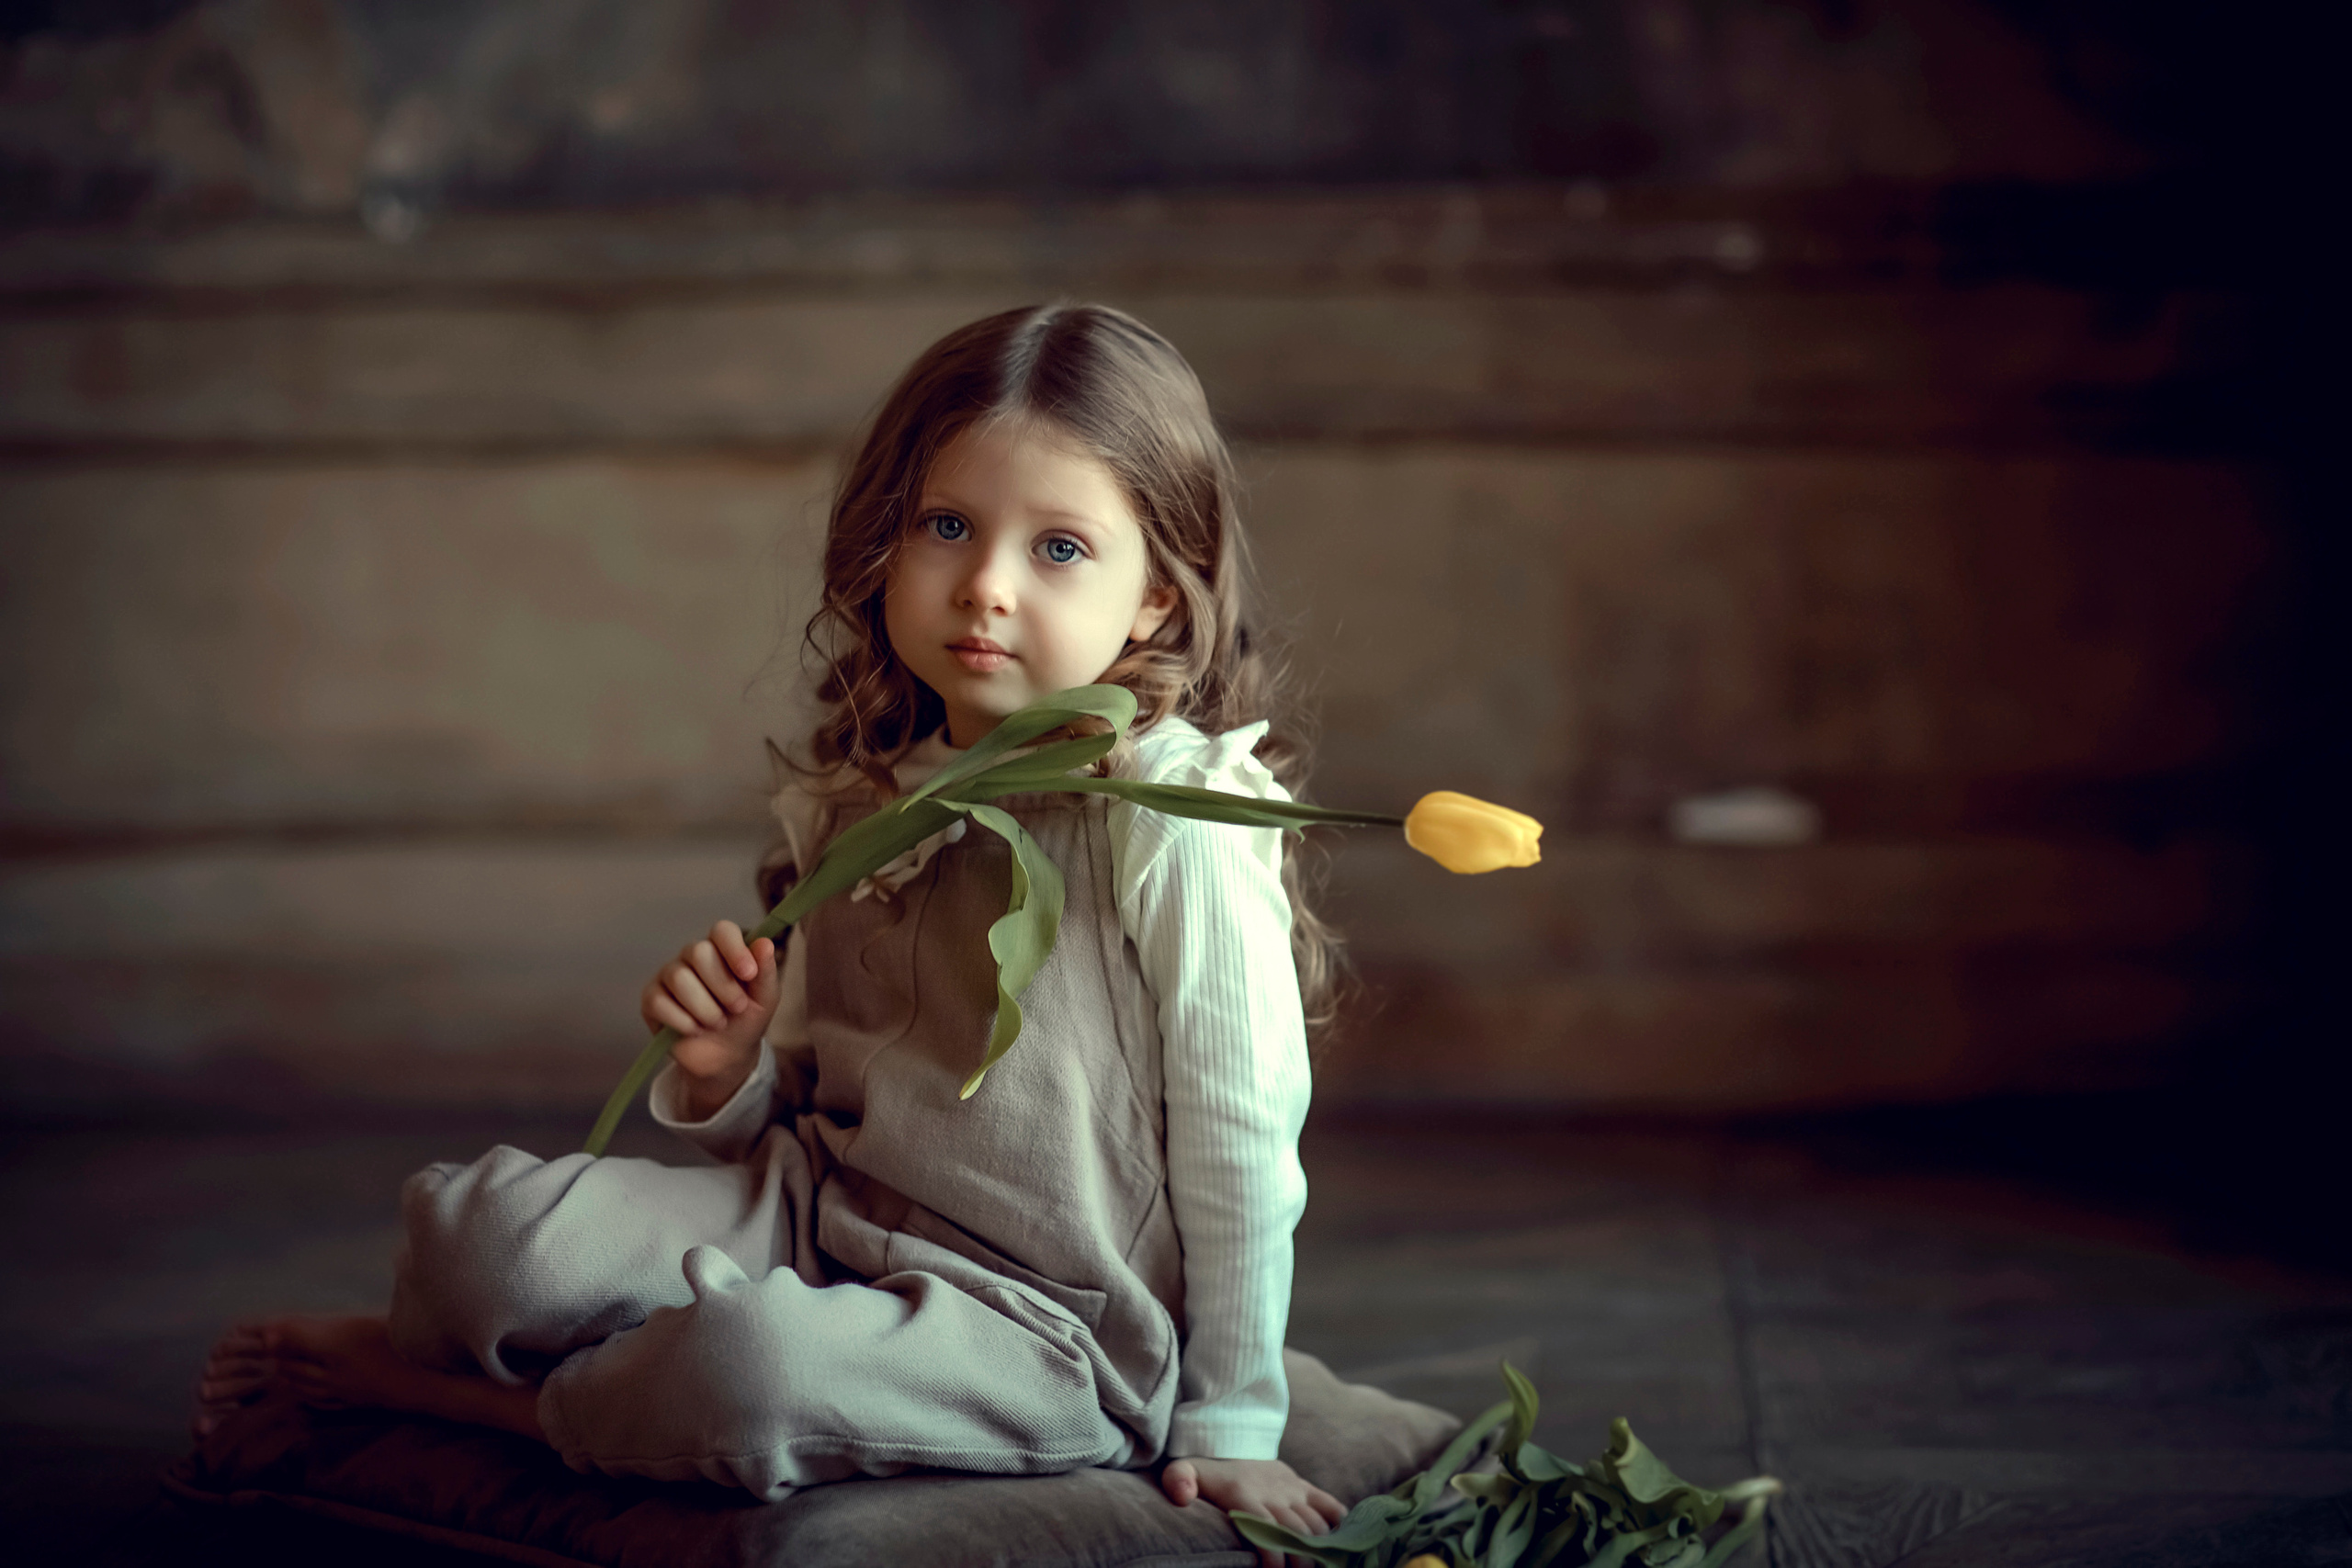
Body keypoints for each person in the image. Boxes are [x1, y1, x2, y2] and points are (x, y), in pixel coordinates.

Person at [193, 303, 1351, 1561]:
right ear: (884, 542)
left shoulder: (1177, 817)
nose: (986, 586)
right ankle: (559, 1344)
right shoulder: (859, 793)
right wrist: (728, 1070)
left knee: (740, 1374)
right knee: (495, 1237)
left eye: (1060, 547)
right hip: (819, 1216)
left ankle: (443, 1399)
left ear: (1153, 603)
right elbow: (808, 1103)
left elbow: (1243, 1137)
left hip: (1049, 1322)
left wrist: (1234, 1418)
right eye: (947, 526)